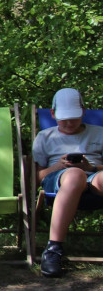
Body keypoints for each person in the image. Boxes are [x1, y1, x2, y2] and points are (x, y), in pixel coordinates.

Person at [31, 88, 103, 277]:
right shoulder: (45, 137)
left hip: (94, 177)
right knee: (73, 175)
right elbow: (36, 179)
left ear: (83, 112)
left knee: (84, 174)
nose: (69, 123)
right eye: (64, 119)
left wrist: (91, 168)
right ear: (53, 114)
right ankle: (54, 249)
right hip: (58, 179)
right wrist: (58, 166)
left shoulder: (99, 133)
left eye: (74, 118)